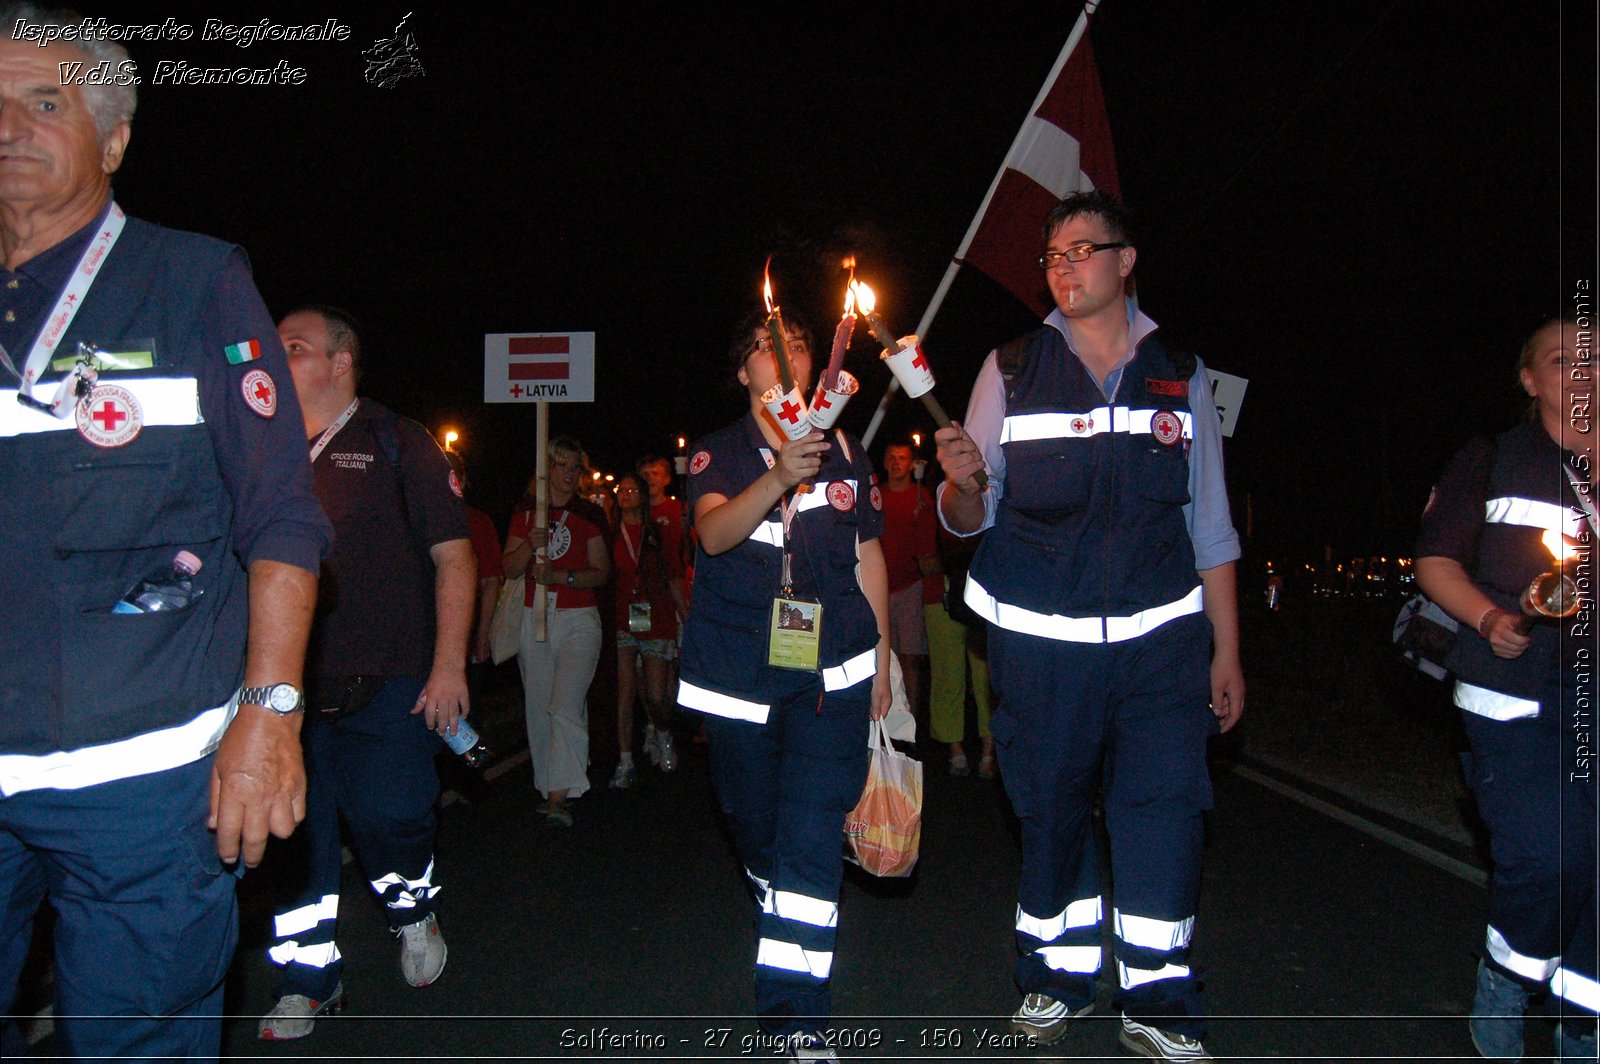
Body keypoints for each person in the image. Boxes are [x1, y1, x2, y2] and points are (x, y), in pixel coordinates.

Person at [0, 9, 330, 1058]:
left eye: (44, 102)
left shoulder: (196, 283)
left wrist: (269, 712)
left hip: (144, 783)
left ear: (112, 137)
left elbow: (280, 510)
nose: (8, 126)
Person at [936, 189, 1242, 1062]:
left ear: (1126, 259)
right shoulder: (1013, 366)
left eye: (1082, 250)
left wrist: (1227, 649)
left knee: (1165, 813)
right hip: (1041, 644)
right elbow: (968, 518)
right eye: (1053, 256)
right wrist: (960, 479)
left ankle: (1160, 999)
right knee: (1051, 806)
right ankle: (1056, 975)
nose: (1065, 268)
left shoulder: (1182, 372)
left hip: (1162, 646)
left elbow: (1210, 526)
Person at [677, 310, 892, 1062]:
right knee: (758, 830)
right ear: (746, 374)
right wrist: (778, 476)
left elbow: (869, 558)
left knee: (808, 837)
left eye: (799, 345)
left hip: (834, 673)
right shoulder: (716, 453)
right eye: (770, 347)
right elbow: (713, 535)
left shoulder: (847, 450)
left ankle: (797, 1019)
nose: (789, 355)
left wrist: (883, 659)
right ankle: (787, 913)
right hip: (738, 679)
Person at [259, 305, 474, 1040]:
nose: (275, 356)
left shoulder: (396, 440)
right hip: (280, 688)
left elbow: (454, 557)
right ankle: (307, 978)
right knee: (292, 840)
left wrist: (448, 667)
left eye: (294, 346)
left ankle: (412, 910)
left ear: (340, 361)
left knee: (397, 814)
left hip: (388, 679)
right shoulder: (261, 445)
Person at [1415, 316, 1597, 1062]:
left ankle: (1584, 1019)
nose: (1581, 372)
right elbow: (1434, 561)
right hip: (1515, 693)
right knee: (1553, 854)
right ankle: (1508, 974)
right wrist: (1490, 620)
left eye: (1594, 360)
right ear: (1531, 381)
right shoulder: (1493, 459)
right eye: (1562, 360)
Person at [503, 435, 611, 827]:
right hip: (536, 616)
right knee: (540, 704)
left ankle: (557, 797)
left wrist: (563, 575)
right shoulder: (528, 513)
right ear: (545, 470)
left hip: (578, 619)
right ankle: (553, 781)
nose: (567, 474)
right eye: (560, 465)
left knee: (565, 703)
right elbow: (510, 568)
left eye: (573, 467)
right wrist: (530, 547)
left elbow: (601, 571)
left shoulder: (589, 515)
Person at [610, 471, 689, 787]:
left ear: (642, 496)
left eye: (632, 489)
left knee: (657, 695)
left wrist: (686, 616)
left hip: (655, 617)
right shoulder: (611, 531)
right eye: (622, 488)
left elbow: (673, 577)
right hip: (623, 619)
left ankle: (662, 730)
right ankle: (625, 760)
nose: (626, 493)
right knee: (626, 691)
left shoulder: (657, 533)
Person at [926, 525, 996, 778]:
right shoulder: (933, 500)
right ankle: (955, 749)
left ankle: (989, 750)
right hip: (942, 590)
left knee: (985, 677)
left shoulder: (990, 495)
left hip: (981, 590)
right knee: (947, 674)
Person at [878, 441, 938, 731]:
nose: (896, 462)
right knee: (882, 656)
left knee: (910, 657)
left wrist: (923, 513)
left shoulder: (921, 497)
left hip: (910, 585)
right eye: (891, 457)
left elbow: (928, 545)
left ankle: (911, 719)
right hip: (881, 587)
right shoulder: (875, 496)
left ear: (911, 463)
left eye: (902, 458)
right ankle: (883, 717)